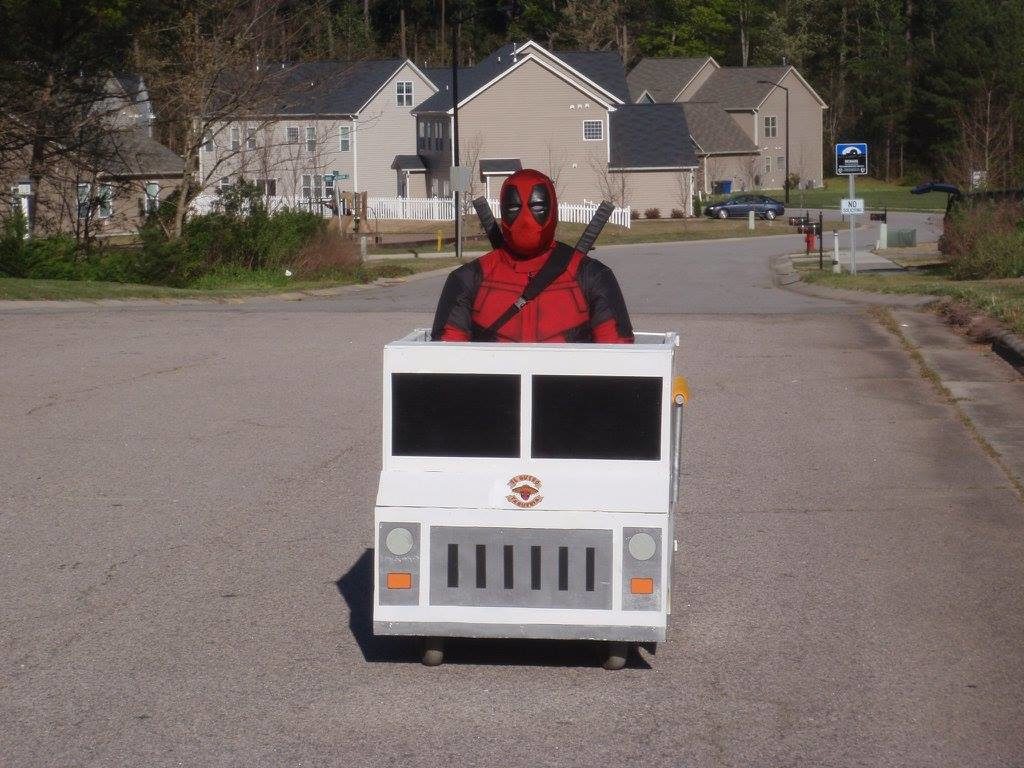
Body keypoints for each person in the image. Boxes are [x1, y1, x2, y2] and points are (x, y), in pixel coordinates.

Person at [431, 169, 633, 343]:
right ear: (503, 210)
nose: (526, 219)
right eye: (514, 207)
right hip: (493, 388)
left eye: (537, 206)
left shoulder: (592, 276)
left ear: (552, 209)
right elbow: (446, 360)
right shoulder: (467, 280)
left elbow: (618, 357)